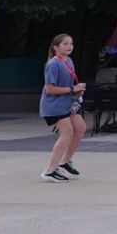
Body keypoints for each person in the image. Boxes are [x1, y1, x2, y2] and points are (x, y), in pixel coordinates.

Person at [39, 33, 87, 182]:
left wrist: (76, 90)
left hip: (67, 103)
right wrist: (73, 89)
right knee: (67, 133)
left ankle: (65, 161)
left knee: (80, 128)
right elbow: (50, 89)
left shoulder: (69, 61)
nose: (69, 46)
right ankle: (50, 170)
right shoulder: (53, 64)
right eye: (65, 44)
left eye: (71, 44)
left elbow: (68, 85)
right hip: (54, 105)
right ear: (56, 47)